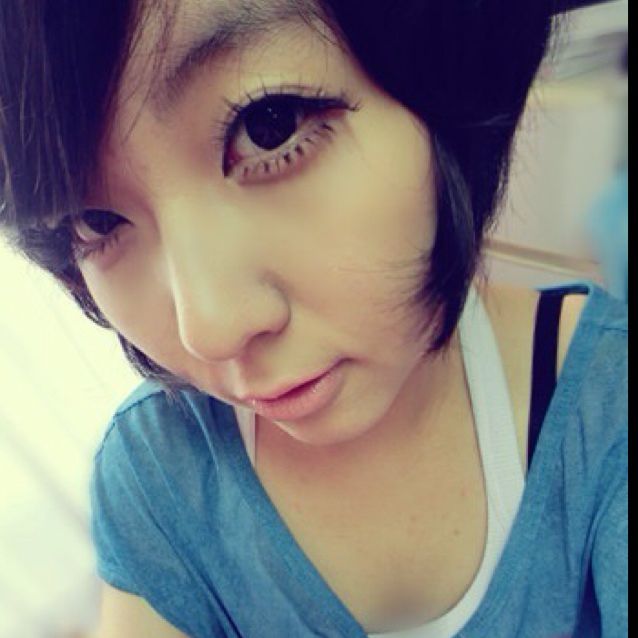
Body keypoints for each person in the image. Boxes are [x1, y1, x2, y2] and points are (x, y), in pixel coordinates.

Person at [0, 1, 627, 637]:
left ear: (447, 71)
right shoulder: (158, 475)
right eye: (97, 221)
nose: (210, 329)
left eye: (269, 125)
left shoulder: (608, 403)